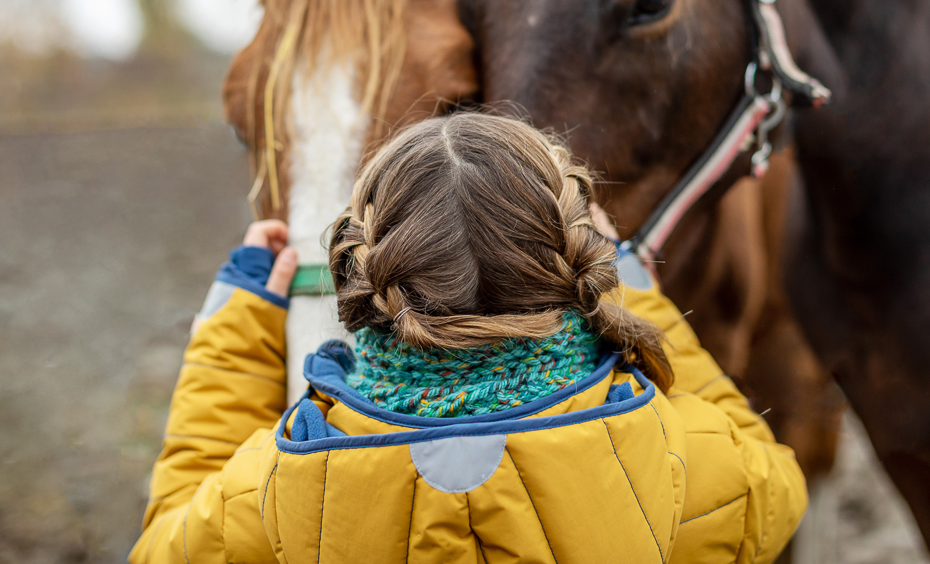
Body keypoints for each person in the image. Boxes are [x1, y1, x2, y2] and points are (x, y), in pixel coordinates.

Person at [130, 113, 806, 564]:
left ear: (363, 262)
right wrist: (636, 296)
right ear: (570, 258)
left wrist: (232, 331)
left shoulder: (276, 491)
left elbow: (165, 542)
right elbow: (774, 480)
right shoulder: (678, 461)